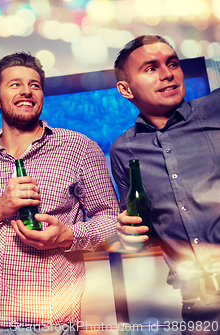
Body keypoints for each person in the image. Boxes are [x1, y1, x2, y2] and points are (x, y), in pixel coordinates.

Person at [0, 52, 119, 335]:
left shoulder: (79, 148)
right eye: (15, 84)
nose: (27, 91)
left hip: (46, 323)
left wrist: (68, 236)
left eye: (35, 85)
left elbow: (111, 221)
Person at [110, 35, 220, 334]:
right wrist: (127, 233)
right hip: (198, 306)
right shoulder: (124, 149)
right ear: (125, 89)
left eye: (173, 63)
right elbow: (141, 232)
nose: (167, 73)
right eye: (151, 68)